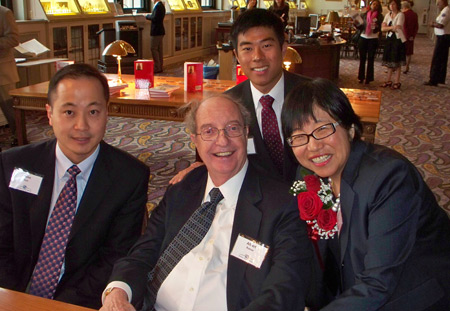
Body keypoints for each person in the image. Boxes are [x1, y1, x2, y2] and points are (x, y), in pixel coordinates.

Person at [99, 95, 312, 311]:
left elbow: (285, 289)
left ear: (246, 133)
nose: (222, 141)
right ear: (195, 139)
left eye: (233, 128)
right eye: (209, 131)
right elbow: (143, 253)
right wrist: (118, 291)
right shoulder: (181, 190)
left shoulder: (281, 204)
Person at [281, 78, 450, 311]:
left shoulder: (389, 178)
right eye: (299, 136)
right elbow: (306, 249)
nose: (312, 146)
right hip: (354, 291)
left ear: (350, 128)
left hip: (409, 298)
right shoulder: (309, 177)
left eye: (322, 129)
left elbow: (379, 283)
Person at [0, 63, 150, 309]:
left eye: (93, 112)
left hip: (77, 301)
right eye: (69, 112)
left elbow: (114, 257)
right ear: (49, 114)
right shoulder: (14, 164)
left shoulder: (129, 177)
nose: (82, 126)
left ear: (106, 113)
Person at [169, 9, 309, 185]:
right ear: (236, 55)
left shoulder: (313, 95)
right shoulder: (228, 105)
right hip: (253, 201)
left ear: (283, 49)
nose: (257, 57)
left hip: (313, 200)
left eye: (266, 46)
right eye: (247, 49)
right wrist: (201, 168)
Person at [0, 5, 19, 146]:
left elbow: (13, 39)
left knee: (10, 109)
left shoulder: (4, 13)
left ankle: (18, 136)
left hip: (3, 71)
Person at [354, 0, 383, 84]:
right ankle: (361, 77)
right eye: (374, 4)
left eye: (377, 5)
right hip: (363, 37)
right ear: (370, 5)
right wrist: (356, 23)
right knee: (362, 58)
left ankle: (369, 78)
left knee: (371, 59)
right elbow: (360, 27)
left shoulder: (380, 16)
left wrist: (377, 27)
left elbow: (380, 28)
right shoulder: (364, 14)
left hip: (373, 38)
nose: (375, 6)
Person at [380, 0, 406, 90]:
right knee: (389, 60)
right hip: (389, 39)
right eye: (390, 4)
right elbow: (383, 28)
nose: (391, 5)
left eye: (393, 4)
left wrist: (388, 27)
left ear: (397, 5)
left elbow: (398, 27)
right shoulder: (388, 15)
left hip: (398, 39)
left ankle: (397, 81)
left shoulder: (401, 15)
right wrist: (391, 27)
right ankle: (388, 80)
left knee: (396, 60)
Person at [424, 0, 450, 86]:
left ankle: (434, 79)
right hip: (443, 37)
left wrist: (432, 24)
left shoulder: (446, 10)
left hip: (443, 37)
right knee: (442, 58)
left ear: (444, 2)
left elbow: (441, 25)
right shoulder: (445, 10)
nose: (437, 5)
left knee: (437, 58)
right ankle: (440, 78)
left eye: (439, 3)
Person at [146, 0, 165, 73]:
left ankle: (157, 67)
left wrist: (147, 16)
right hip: (160, 30)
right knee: (159, 50)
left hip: (156, 31)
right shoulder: (161, 5)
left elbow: (155, 18)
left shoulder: (158, 6)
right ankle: (160, 66)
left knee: (153, 48)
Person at [401, 1, 418, 74]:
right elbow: (416, 26)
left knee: (401, 52)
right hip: (411, 36)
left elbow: (404, 26)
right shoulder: (414, 14)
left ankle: (397, 67)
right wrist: (412, 36)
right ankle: (407, 67)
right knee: (409, 53)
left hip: (404, 35)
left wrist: (406, 36)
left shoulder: (403, 14)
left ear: (404, 7)